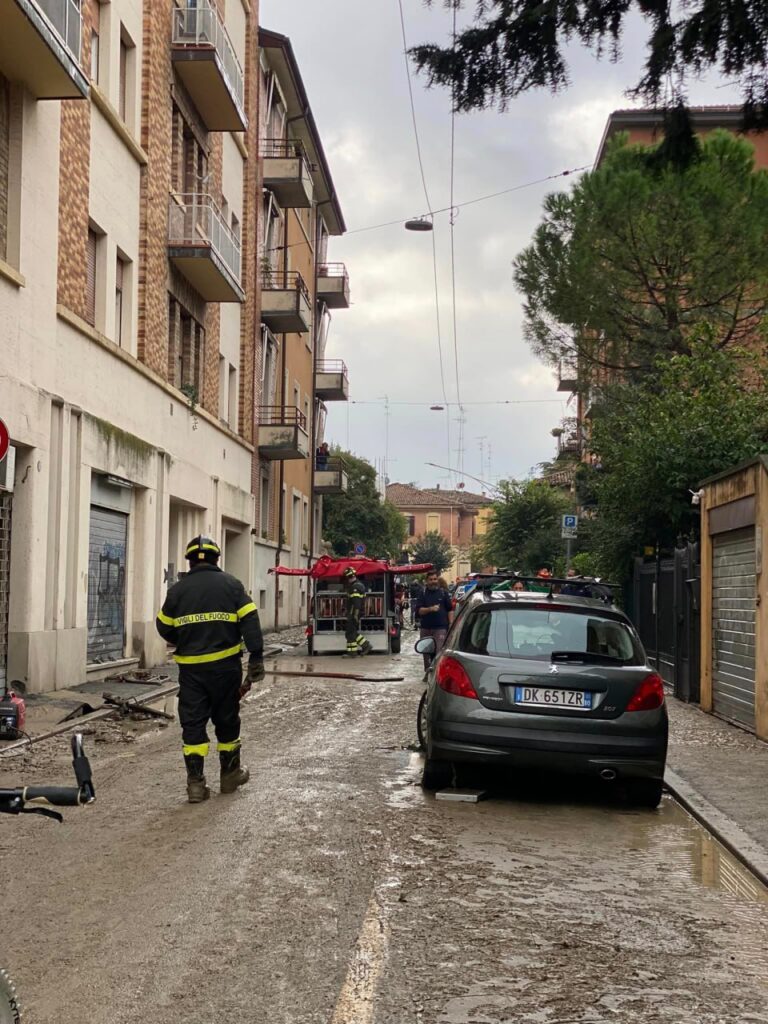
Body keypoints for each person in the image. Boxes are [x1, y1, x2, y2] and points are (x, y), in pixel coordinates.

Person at [156, 535, 264, 804]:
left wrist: (185, 639)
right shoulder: (232, 585)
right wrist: (256, 657)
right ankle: (229, 777)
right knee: (227, 721)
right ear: (217, 559)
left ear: (190, 561)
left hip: (192, 673)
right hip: (225, 669)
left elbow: (163, 626)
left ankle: (195, 785)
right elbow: (250, 620)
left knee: (193, 724)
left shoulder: (177, 591)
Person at [415, 571, 454, 669]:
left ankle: (437, 673)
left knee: (439, 652)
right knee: (425, 652)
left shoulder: (443, 593)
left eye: (435, 579)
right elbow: (419, 611)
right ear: (426, 581)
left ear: (438, 580)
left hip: (440, 628)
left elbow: (450, 610)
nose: (433, 581)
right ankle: (428, 673)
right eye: (431, 580)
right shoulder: (422, 593)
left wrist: (451, 624)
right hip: (426, 628)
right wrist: (430, 609)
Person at [343, 566, 372, 656]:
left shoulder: (355, 587)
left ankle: (353, 652)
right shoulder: (358, 585)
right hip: (354, 613)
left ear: (349, 577)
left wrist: (355, 615)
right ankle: (364, 646)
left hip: (354, 613)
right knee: (351, 632)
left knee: (350, 632)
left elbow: (357, 603)